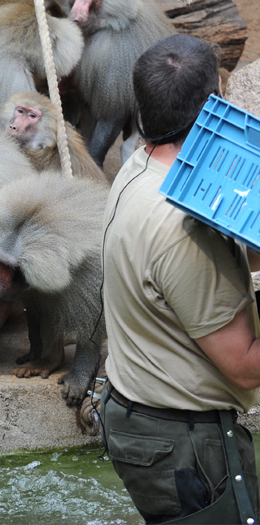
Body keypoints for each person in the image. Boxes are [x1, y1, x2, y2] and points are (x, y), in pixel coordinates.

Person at [101, 34, 260, 524]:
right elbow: (246, 368)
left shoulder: (139, 166)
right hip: (184, 441)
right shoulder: (182, 232)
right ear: (217, 102)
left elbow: (193, 270)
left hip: (140, 416)